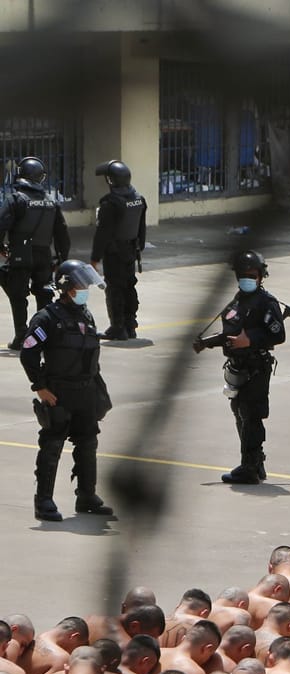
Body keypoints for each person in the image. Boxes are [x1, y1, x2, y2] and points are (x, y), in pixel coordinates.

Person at [19, 259, 112, 522]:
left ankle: (86, 496)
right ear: (66, 286)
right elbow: (28, 353)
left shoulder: (86, 315)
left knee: (88, 443)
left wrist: (98, 392)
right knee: (52, 445)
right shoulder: (47, 318)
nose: (85, 290)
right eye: (81, 285)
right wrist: (40, 387)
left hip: (85, 392)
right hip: (58, 392)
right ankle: (44, 501)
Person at [202, 250, 288, 486]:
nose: (247, 279)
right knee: (240, 412)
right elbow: (230, 331)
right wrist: (209, 343)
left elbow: (278, 333)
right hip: (238, 367)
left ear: (261, 276)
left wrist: (249, 339)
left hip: (256, 367)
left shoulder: (266, 302)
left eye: (252, 275)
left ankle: (249, 467)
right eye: (243, 275)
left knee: (252, 415)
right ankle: (255, 462)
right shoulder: (238, 301)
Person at [0, 156, 70, 350]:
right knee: (44, 296)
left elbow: (1, 225)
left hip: (21, 255)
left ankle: (22, 336)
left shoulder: (15, 199)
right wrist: (62, 259)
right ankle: (42, 335)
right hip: (44, 256)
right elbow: (62, 234)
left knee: (17, 296)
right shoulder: (51, 203)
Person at [88, 160, 147, 341]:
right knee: (129, 286)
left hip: (114, 252)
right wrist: (139, 247)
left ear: (111, 180)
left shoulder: (110, 203)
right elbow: (142, 228)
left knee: (115, 288)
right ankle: (131, 325)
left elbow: (103, 233)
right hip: (131, 250)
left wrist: (95, 258)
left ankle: (117, 327)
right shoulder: (138, 199)